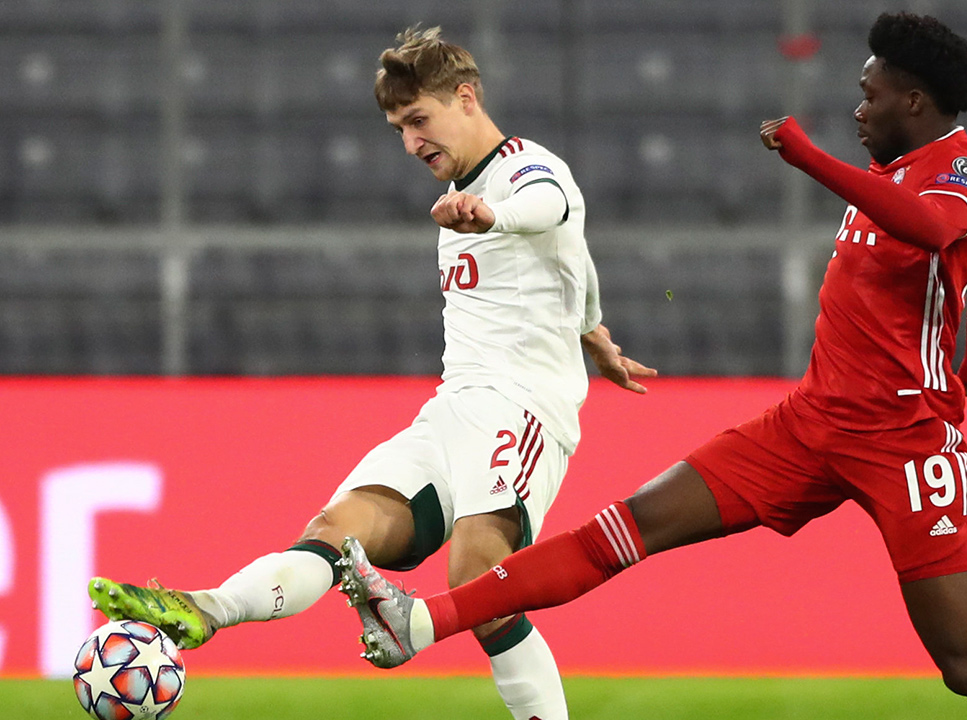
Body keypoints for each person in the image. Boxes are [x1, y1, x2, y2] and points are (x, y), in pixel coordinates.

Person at [335, 13, 967, 720]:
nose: (858, 109)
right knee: (625, 526)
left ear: (915, 99)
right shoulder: (904, 171)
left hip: (905, 442)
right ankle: (421, 621)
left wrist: (808, 156)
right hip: (811, 422)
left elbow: (946, 229)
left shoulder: (956, 169)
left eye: (870, 95)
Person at [87, 25, 655, 720]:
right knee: (335, 531)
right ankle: (207, 608)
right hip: (451, 412)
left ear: (466, 98)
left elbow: (552, 208)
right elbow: (578, 254)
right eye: (398, 128)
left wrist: (493, 216)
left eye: (420, 120)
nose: (412, 143)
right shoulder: (459, 200)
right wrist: (593, 328)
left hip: (523, 409)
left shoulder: (523, 172)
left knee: (479, 579)